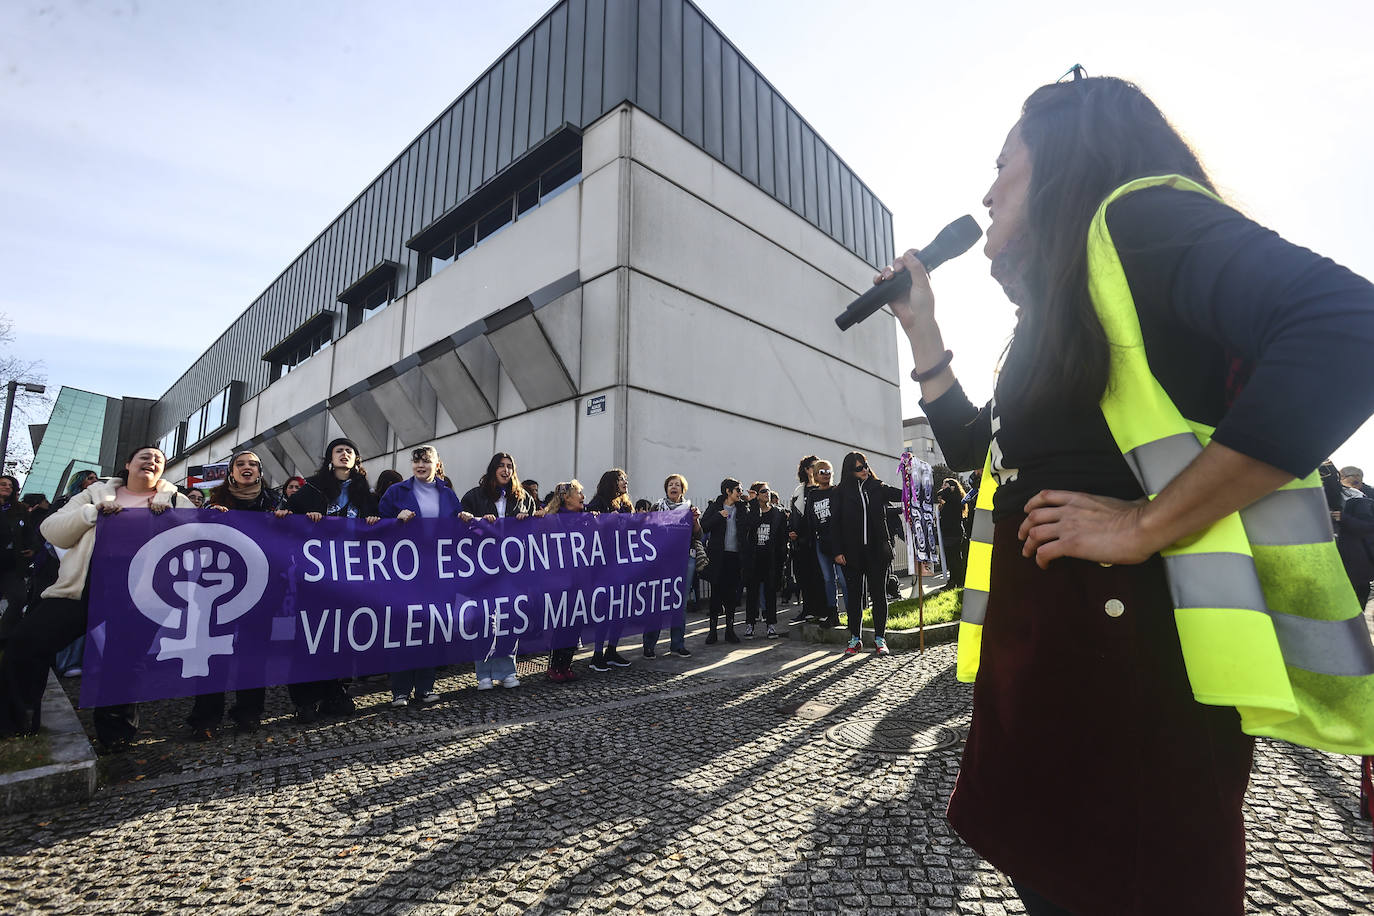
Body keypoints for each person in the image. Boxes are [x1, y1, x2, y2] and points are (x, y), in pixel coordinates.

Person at [883, 76, 1374, 915]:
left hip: (1131, 680)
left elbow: (1348, 327)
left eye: (1003, 165)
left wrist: (1147, 523)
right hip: (1049, 670)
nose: (987, 191)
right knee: (1053, 885)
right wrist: (923, 329)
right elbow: (984, 452)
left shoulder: (1139, 220)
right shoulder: (1062, 304)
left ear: (1068, 157)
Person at [0, 446, 195, 750]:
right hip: (82, 585)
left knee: (125, 662)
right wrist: (92, 514)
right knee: (27, 641)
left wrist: (174, 521)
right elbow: (51, 530)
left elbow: (193, 542)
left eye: (159, 459)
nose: (152, 461)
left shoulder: (174, 500)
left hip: (140, 592)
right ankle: (18, 722)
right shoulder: (93, 495)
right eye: (145, 456)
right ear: (128, 463)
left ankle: (115, 735)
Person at [185, 450, 287, 737]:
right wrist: (206, 518)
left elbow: (290, 542)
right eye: (240, 464)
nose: (247, 468)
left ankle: (249, 713)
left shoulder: (277, 502)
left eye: (253, 464)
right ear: (231, 472)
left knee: (254, 653)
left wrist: (286, 521)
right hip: (218, 590)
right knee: (212, 652)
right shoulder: (214, 502)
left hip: (263, 586)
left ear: (260, 472)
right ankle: (206, 716)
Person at [285, 437, 381, 722]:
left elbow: (379, 526)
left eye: (349, 451)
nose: (344, 454)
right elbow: (286, 519)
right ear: (330, 458)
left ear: (356, 460)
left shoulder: (365, 493)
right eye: (339, 451)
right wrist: (297, 517)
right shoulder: (310, 490)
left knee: (342, 636)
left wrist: (379, 521)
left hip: (350, 578)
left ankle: (334, 692)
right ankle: (304, 700)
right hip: (314, 578)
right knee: (310, 637)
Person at [378, 446, 463, 706]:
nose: (420, 465)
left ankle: (425, 688)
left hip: (436, 572)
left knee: (430, 629)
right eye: (416, 461)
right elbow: (375, 526)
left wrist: (465, 519)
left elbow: (457, 530)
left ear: (437, 464)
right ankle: (400, 690)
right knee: (404, 629)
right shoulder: (396, 492)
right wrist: (394, 519)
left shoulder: (447, 495)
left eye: (426, 461)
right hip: (404, 572)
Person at [460, 452, 534, 688]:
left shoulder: (523, 497)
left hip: (512, 568)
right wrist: (478, 522)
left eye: (510, 466)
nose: (506, 470)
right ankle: (483, 674)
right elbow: (460, 527)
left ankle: (507, 671)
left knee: (511, 618)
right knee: (484, 619)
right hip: (483, 569)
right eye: (501, 466)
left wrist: (527, 519)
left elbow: (534, 528)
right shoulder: (473, 496)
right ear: (493, 469)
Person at [830, 452, 903, 656]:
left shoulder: (877, 487)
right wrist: (837, 551)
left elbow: (903, 495)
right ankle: (855, 638)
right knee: (854, 597)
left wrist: (913, 482)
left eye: (865, 466)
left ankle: (880, 639)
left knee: (879, 595)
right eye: (859, 468)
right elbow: (834, 524)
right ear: (850, 471)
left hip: (877, 551)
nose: (865, 470)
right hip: (851, 553)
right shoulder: (840, 493)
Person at [642, 474, 698, 659]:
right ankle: (649, 645)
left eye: (677, 485)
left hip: (683, 560)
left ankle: (677, 644)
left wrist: (695, 519)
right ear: (666, 489)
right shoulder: (657, 507)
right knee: (657, 602)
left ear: (683, 490)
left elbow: (698, 535)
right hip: (661, 561)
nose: (673, 487)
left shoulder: (689, 508)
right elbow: (648, 531)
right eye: (670, 484)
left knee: (679, 603)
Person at [586, 468, 634, 671]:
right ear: (611, 483)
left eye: (626, 479)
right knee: (605, 610)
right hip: (603, 566)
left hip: (623, 564)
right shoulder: (598, 503)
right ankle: (597, 655)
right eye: (621, 479)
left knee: (620, 610)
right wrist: (605, 522)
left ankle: (612, 650)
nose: (625, 482)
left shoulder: (626, 504)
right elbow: (588, 530)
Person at [542, 480, 588, 682]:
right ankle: (554, 667)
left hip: (580, 580)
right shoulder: (552, 520)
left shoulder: (586, 518)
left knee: (576, 623)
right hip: (560, 582)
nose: (583, 497)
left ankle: (566, 665)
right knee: (562, 623)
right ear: (566, 497)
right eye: (579, 493)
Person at [794, 459, 846, 628]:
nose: (825, 475)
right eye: (821, 472)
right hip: (820, 543)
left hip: (838, 542)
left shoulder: (837, 491)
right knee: (828, 580)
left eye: (828, 471)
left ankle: (853, 613)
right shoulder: (813, 495)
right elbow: (809, 519)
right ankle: (833, 613)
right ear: (815, 475)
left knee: (843, 579)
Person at [699, 478, 745, 645]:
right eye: (738, 490)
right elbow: (703, 525)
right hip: (718, 556)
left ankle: (730, 631)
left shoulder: (742, 508)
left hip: (735, 557)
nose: (740, 493)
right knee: (716, 594)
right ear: (728, 491)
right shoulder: (716, 506)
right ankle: (712, 632)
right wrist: (718, 516)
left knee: (731, 595)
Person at [742, 482, 786, 638]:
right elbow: (749, 525)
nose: (767, 493)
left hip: (770, 559)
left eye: (768, 490)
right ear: (756, 494)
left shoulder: (777, 514)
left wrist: (782, 559)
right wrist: (754, 505)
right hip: (754, 558)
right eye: (763, 491)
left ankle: (771, 625)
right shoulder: (751, 513)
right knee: (752, 593)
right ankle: (750, 624)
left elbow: (782, 538)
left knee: (770, 593)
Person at [786, 456, 823, 624]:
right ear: (807, 470)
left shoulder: (823, 488)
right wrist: (792, 531)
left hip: (819, 539)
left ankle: (823, 609)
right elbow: (794, 513)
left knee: (820, 576)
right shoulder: (799, 491)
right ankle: (807, 609)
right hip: (801, 541)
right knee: (803, 576)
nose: (816, 470)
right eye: (813, 467)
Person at [0, 475, 32, 646]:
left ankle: (4, 634)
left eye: (10, 485)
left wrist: (32, 549)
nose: (7, 487)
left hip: (12, 564)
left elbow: (28, 533)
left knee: (19, 598)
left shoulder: (19, 510)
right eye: (3, 484)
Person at [937, 477, 969, 587]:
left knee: (955, 559)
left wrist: (949, 489)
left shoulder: (955, 500)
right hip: (948, 533)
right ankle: (953, 581)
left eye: (944, 485)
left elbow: (940, 493)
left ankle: (959, 582)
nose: (942, 487)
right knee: (951, 559)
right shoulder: (949, 501)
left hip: (954, 534)